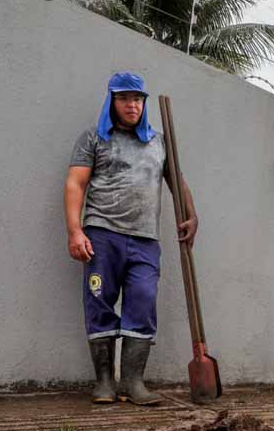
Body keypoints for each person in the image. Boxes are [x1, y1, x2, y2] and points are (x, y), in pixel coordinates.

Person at [64, 72, 198, 406]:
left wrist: (192, 215)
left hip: (145, 240)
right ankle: (105, 383)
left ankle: (134, 382)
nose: (132, 105)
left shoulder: (158, 141)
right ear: (112, 101)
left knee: (142, 302)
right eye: (124, 98)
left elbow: (176, 181)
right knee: (100, 303)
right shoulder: (93, 138)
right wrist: (74, 230)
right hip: (102, 234)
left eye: (138, 99)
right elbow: (75, 184)